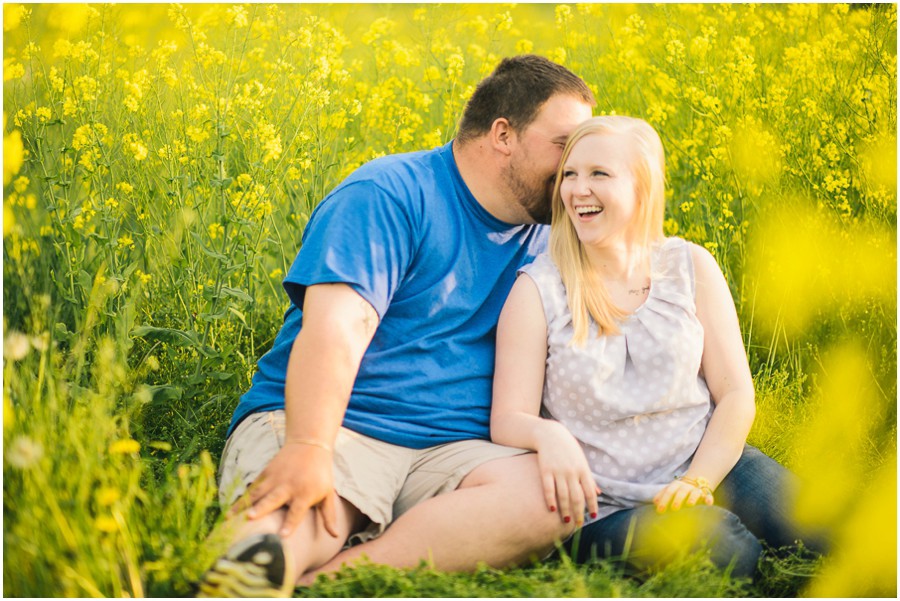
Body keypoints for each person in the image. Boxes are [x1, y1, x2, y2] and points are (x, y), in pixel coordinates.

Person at [197, 55, 596, 597]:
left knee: (553, 500)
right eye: (565, 146)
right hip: (340, 425)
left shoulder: (555, 234)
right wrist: (311, 447)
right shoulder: (389, 194)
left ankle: (339, 580)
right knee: (285, 527)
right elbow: (338, 328)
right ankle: (253, 573)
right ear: (504, 134)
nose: (577, 168)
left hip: (453, 452)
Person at [490, 115, 828, 579]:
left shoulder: (689, 266)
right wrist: (547, 436)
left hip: (706, 461)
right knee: (727, 550)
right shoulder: (538, 290)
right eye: (570, 173)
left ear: (642, 186)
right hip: (604, 506)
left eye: (598, 174)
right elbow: (508, 418)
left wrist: (698, 479)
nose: (576, 190)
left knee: (830, 531)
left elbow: (734, 394)